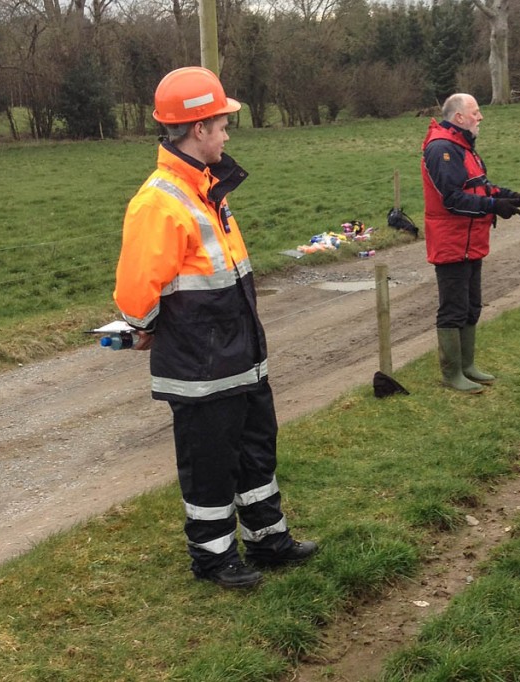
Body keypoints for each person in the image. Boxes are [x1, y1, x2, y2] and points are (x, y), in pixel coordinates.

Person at [113, 66, 318, 590]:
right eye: (222, 124)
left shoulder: (207, 189)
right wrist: (150, 328)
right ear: (198, 128)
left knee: (256, 451)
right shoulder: (160, 201)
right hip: (202, 368)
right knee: (209, 464)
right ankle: (212, 558)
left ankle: (268, 540)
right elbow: (137, 293)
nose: (227, 133)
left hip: (241, 357)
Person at [421, 93, 520, 393]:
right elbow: (452, 199)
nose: (480, 117)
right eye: (476, 112)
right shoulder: (441, 149)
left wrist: (509, 196)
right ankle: (451, 374)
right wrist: (492, 207)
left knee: (472, 305)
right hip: (451, 241)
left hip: (471, 239)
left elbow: (481, 187)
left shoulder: (465, 148)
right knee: (453, 307)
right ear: (459, 117)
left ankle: (467, 365)